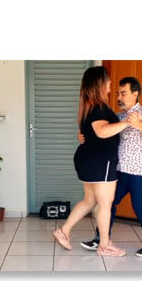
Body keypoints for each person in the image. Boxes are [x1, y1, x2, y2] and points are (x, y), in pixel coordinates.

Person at [78, 76, 142, 257]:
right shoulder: (117, 117)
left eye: (123, 93)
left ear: (135, 93)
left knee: (140, 207)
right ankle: (101, 239)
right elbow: (101, 133)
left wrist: (140, 125)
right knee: (107, 203)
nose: (119, 97)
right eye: (117, 93)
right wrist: (83, 138)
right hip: (119, 171)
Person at [52, 66, 127, 257]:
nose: (111, 82)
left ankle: (63, 231)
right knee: (104, 203)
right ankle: (105, 245)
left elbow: (92, 132)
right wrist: (128, 123)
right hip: (100, 161)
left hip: (88, 159)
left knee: (90, 200)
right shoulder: (99, 107)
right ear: (99, 83)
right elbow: (102, 132)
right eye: (108, 80)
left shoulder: (87, 107)